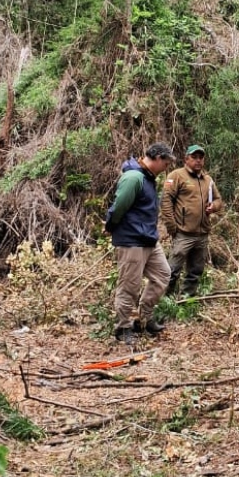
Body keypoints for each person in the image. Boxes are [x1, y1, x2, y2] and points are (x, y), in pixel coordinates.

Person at [104, 143, 176, 344]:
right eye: (166, 163)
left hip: (148, 239)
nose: (166, 168)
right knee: (130, 286)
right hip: (131, 240)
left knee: (163, 274)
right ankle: (123, 327)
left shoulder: (147, 178)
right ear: (158, 158)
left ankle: (144, 318)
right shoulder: (134, 177)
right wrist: (110, 225)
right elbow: (119, 206)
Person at [161, 145, 223, 299]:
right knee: (172, 269)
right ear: (186, 159)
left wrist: (213, 206)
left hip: (202, 233)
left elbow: (218, 199)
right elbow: (166, 202)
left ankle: (186, 299)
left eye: (200, 157)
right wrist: (172, 227)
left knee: (195, 270)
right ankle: (163, 301)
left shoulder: (207, 179)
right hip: (183, 233)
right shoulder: (177, 176)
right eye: (194, 157)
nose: (198, 160)